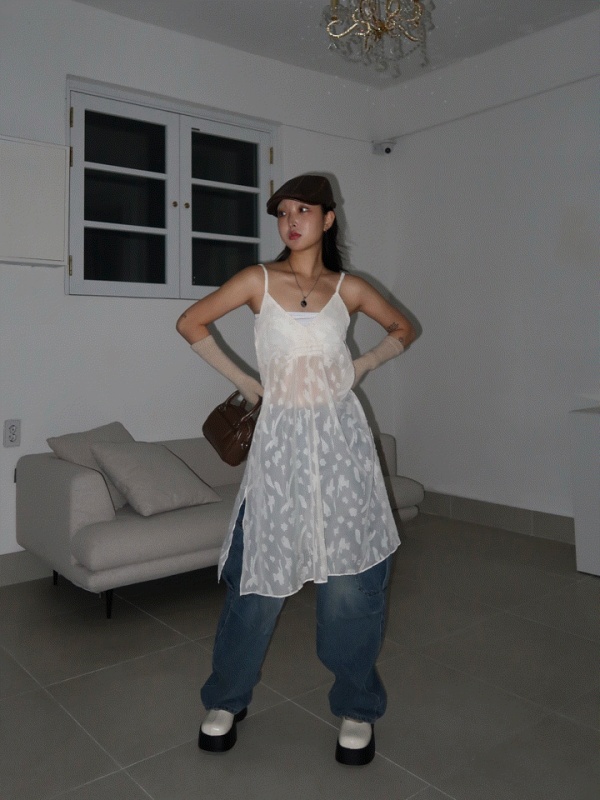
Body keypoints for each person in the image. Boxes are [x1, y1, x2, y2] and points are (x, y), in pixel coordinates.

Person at [176, 174, 416, 766]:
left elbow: (402, 329)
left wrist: (361, 366)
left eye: (303, 210)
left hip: (341, 449)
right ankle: (226, 698)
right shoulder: (257, 280)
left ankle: (356, 705)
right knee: (254, 584)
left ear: (327, 219)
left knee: (351, 586)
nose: (291, 221)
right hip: (279, 451)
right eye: (282, 212)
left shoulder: (349, 288)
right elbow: (191, 323)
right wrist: (247, 382)